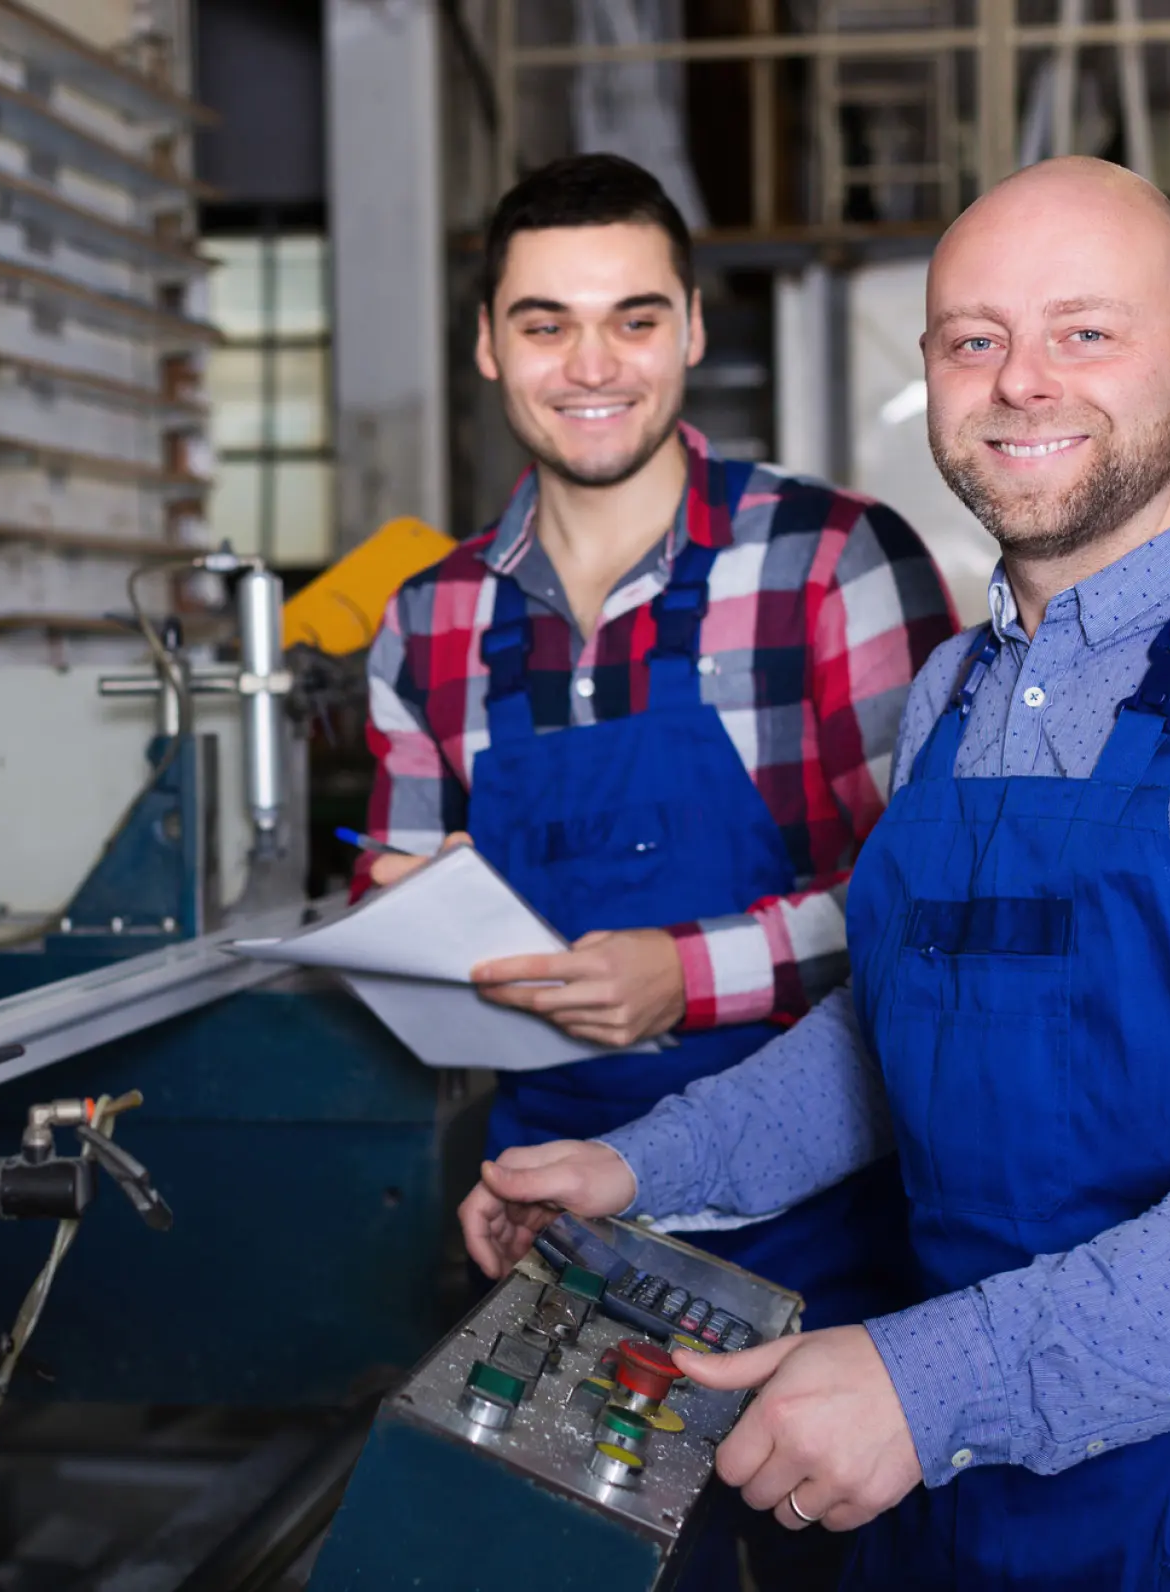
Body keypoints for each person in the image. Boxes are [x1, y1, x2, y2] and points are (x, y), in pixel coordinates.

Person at [457, 156, 1170, 1590]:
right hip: (973, 1495)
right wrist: (640, 1164)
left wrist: (922, 1383)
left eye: (1085, 332)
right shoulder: (960, 688)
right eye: (975, 340)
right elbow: (890, 1028)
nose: (1023, 382)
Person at [359, 152, 955, 1585]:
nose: (590, 364)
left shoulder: (831, 565)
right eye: (546, 321)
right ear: (488, 343)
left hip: (826, 1239)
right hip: (566, 1236)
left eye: (632, 317)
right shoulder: (428, 622)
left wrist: (679, 978)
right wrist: (404, 927)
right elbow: (407, 896)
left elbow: (926, 917)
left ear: (692, 328)